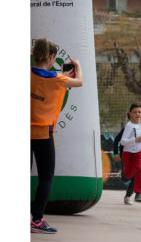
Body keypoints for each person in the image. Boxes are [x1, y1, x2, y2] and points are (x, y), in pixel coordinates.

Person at [30, 38, 83, 234]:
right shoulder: (57, 79)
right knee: (46, 177)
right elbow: (79, 82)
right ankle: (36, 219)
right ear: (52, 57)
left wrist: (60, 75)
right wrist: (77, 65)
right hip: (43, 134)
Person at [121, 103, 141, 204]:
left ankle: (138, 193)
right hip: (128, 153)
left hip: (139, 152)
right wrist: (135, 140)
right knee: (128, 175)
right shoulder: (129, 126)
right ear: (130, 114)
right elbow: (123, 141)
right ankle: (125, 174)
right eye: (134, 112)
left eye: (139, 112)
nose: (137, 114)